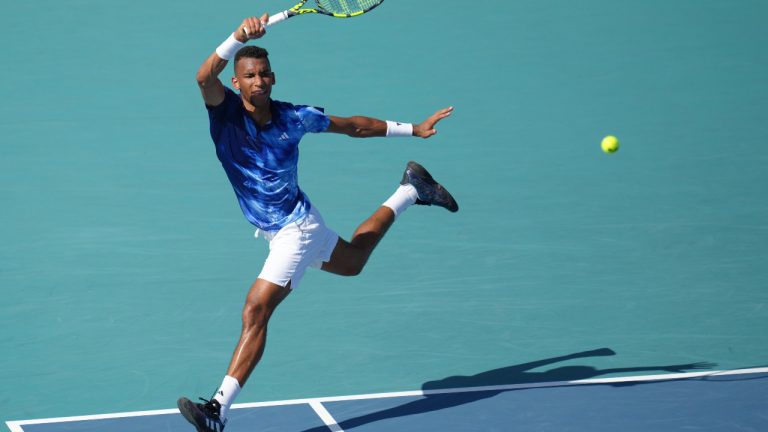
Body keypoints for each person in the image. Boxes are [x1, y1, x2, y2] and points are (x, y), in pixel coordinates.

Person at [177, 14, 458, 432]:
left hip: (296, 227)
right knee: (353, 261)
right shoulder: (224, 114)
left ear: (273, 78)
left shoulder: (295, 117)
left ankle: (218, 410)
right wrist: (236, 37)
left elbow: (354, 126)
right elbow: (204, 76)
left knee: (256, 309)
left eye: (264, 74)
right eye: (249, 76)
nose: (258, 81)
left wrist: (413, 129)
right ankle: (411, 189)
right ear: (236, 82)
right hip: (281, 229)